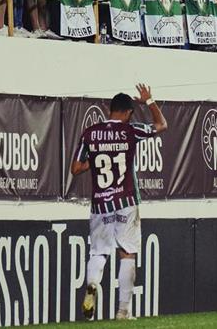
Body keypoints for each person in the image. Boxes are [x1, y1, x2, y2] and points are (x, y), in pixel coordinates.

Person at [71, 84, 167, 321]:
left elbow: (75, 168)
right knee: (127, 253)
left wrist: (96, 161)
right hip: (125, 201)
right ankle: (123, 311)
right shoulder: (129, 130)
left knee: (98, 253)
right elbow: (162, 125)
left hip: (100, 204)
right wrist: (150, 101)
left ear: (109, 109)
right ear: (127, 113)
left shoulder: (90, 133)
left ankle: (92, 284)